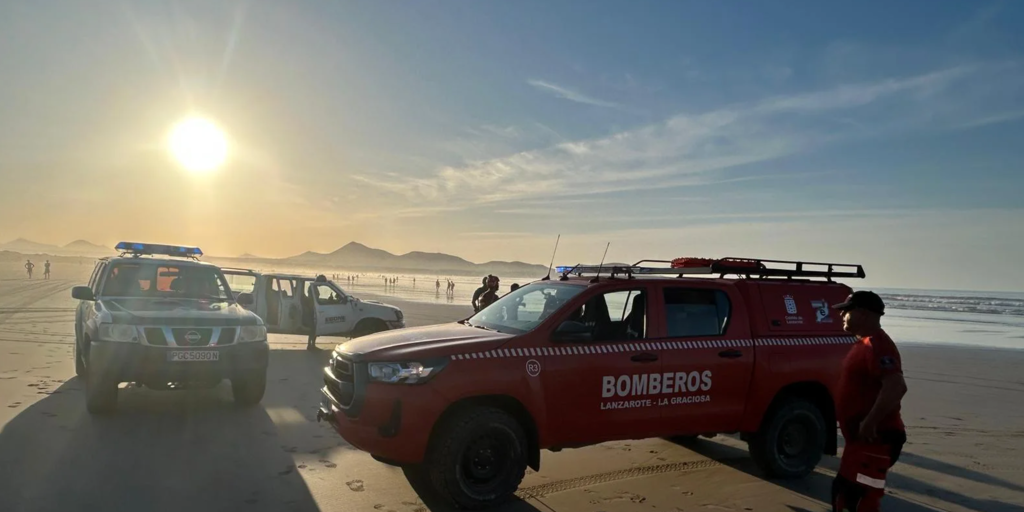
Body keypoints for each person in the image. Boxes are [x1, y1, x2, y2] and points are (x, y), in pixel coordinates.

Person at [831, 291, 908, 512]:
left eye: (846, 310)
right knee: (844, 495)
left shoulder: (877, 345)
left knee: (860, 500)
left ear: (863, 314)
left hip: (877, 439)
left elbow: (896, 386)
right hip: (861, 441)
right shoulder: (863, 343)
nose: (842, 315)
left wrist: (871, 421)